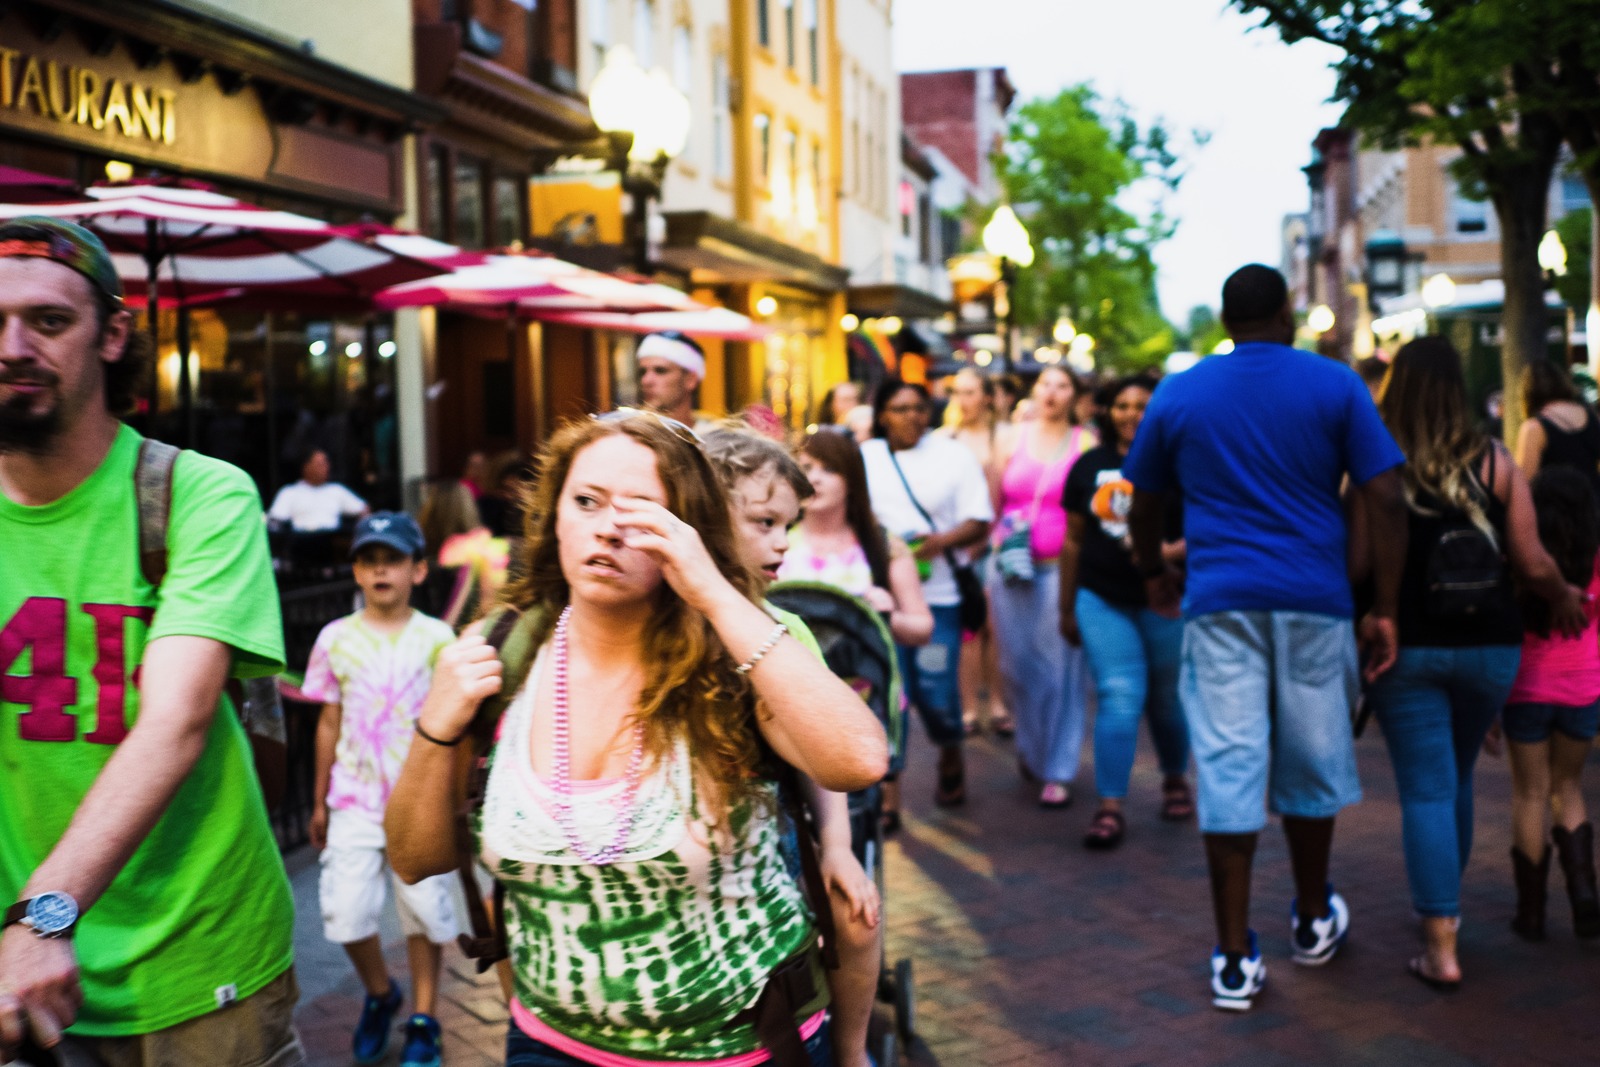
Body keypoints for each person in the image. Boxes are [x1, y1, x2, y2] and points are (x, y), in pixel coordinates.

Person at [384, 414, 887, 1066]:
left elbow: (858, 760)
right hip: (549, 1045)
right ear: (554, 515)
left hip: (745, 1047)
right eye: (587, 501)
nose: (608, 527)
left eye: (642, 511)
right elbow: (413, 858)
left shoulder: (740, 648)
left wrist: (714, 592)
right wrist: (435, 726)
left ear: (690, 530)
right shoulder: (499, 650)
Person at [0, 217, 302, 1062]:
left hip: (200, 967)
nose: (13, 347)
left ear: (112, 335)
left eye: (49, 321)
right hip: (19, 981)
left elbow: (175, 721)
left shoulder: (197, 495)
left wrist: (41, 917)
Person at [1124, 264, 1407, 1012]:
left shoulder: (1180, 392)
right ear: (1286, 314)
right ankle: (1312, 917)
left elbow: (1140, 500)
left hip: (1220, 603)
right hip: (1316, 600)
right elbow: (1385, 493)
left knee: (1228, 764)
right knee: (1312, 757)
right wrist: (1384, 605)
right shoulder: (1336, 384)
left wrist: (1153, 571)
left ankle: (1231, 954)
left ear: (1225, 321)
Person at [1362, 337, 1585, 990]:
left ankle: (1441, 942)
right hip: (1491, 646)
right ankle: (1445, 908)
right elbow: (1532, 561)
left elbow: (1355, 560)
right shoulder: (1495, 460)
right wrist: (1563, 594)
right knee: (1454, 775)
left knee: (1426, 787)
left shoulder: (1376, 461)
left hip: (1407, 645)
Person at [704, 428, 886, 1067]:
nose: (783, 542)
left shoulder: (787, 633)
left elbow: (822, 766)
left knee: (857, 917)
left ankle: (851, 1049)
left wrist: (837, 847)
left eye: (789, 525)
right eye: (764, 523)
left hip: (776, 843)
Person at [301, 513, 458, 1067]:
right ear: (356, 572)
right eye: (369, 561)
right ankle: (379, 992)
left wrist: (450, 801)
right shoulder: (334, 639)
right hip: (354, 800)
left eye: (392, 560)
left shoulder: (438, 640)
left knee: (424, 911)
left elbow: (452, 725)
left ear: (418, 570)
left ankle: (424, 1018)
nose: (380, 570)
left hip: (418, 802)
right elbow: (328, 721)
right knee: (345, 911)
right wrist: (318, 799)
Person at [1060, 374, 1192, 849]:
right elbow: (1073, 540)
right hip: (1101, 596)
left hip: (1166, 598)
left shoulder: (1181, 460)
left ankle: (1175, 778)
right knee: (1118, 694)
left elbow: (1207, 522)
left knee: (1167, 700)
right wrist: (1066, 608)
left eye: (1142, 405)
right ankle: (1110, 805)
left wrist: (1167, 552)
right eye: (1122, 405)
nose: (1132, 414)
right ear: (1107, 411)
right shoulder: (1088, 465)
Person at [862, 379, 994, 811]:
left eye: (919, 408)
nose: (912, 417)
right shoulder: (866, 457)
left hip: (939, 600)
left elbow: (979, 520)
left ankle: (950, 748)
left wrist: (938, 543)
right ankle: (890, 791)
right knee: (889, 692)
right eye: (900, 409)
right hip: (883, 601)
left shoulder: (953, 456)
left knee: (936, 688)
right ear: (883, 415)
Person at [987, 366, 1096, 808]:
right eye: (1045, 384)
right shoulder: (1009, 439)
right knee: (1016, 666)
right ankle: (1032, 749)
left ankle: (1059, 767)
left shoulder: (1085, 444)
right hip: (1010, 569)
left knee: (1061, 669)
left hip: (1059, 572)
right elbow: (992, 504)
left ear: (1074, 395)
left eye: (1062, 385)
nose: (1051, 392)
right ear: (1035, 391)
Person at [1502, 466, 1600, 944]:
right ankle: (1584, 894)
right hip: (1583, 686)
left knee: (1530, 793)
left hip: (1526, 687)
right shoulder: (1594, 556)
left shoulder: (1523, 557)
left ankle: (1532, 914)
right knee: (1569, 787)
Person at [781, 429, 934, 649]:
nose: (815, 478)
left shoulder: (884, 544)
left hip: (858, 669)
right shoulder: (775, 538)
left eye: (829, 469)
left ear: (852, 480)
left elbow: (922, 627)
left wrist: (886, 616)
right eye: (806, 468)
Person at [938, 367, 1014, 737]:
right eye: (958, 392)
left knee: (995, 627)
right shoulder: (943, 439)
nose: (963, 400)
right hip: (957, 548)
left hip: (996, 542)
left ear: (986, 397)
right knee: (968, 628)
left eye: (970, 392)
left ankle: (998, 702)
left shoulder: (1005, 437)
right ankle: (968, 706)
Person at [1514, 359, 1600, 492]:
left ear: (1527, 394)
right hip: (1593, 500)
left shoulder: (1534, 428)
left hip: (1557, 503)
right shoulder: (1591, 414)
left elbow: (1524, 484)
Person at [267, 447, 369, 534]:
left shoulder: (336, 490)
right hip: (301, 542)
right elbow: (275, 520)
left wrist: (357, 531)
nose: (326, 467)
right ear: (306, 467)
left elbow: (364, 509)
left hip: (332, 542)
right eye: (320, 464)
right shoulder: (289, 492)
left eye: (326, 463)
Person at [636, 330, 713, 433]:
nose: (646, 381)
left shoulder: (715, 438)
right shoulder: (629, 435)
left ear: (691, 380)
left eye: (660, 371)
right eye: (642, 372)